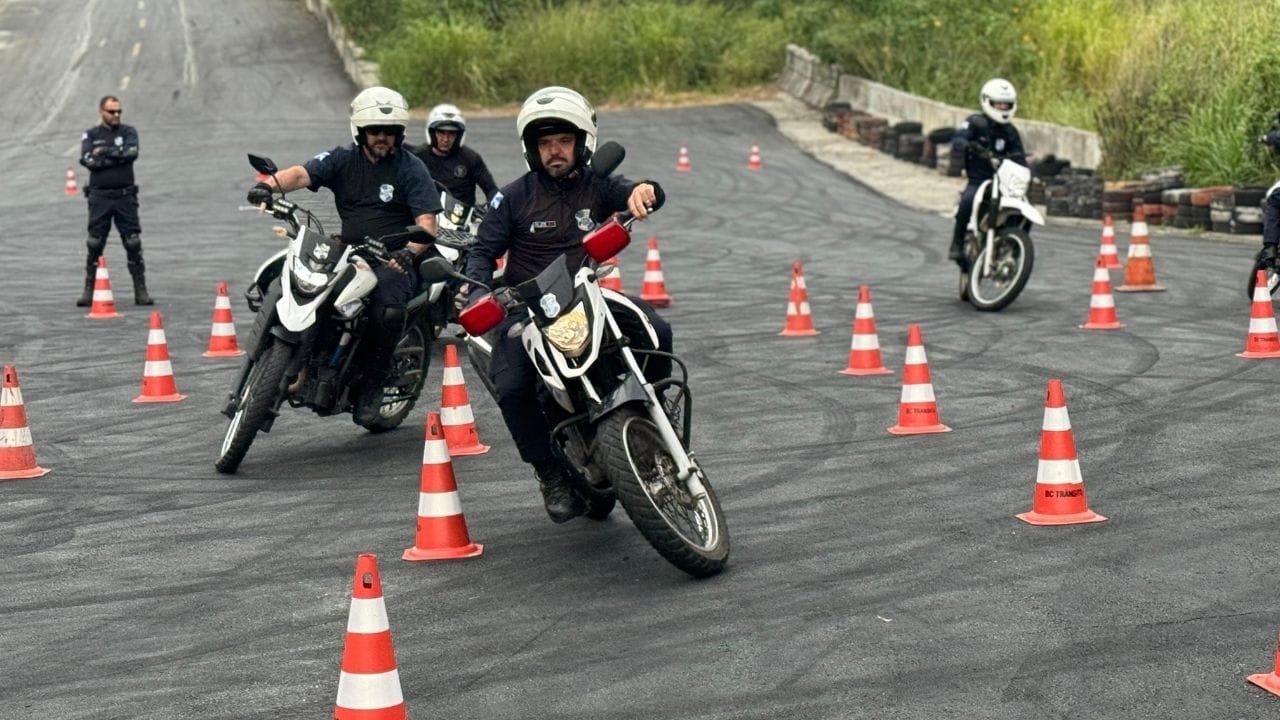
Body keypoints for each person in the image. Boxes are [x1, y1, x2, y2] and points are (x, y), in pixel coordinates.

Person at [461, 86, 671, 524]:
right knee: (512, 387)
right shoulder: (512, 198)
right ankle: (549, 472)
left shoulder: (598, 184)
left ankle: (656, 412)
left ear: (582, 143)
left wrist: (646, 191)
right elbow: (480, 252)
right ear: (532, 149)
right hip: (527, 308)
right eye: (545, 143)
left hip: (586, 293)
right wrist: (479, 291)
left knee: (655, 329)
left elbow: (636, 191)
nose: (554, 150)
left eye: (563, 140)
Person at [245, 86, 442, 425]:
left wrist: (410, 252)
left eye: (389, 131)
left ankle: (373, 385)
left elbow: (428, 223)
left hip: (392, 258)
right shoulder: (342, 158)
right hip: (349, 251)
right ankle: (296, 359)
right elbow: (302, 174)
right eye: (375, 131)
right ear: (360, 131)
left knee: (387, 310)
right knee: (294, 277)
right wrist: (268, 186)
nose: (382, 137)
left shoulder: (411, 168)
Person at [78, 95, 152, 306]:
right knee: (95, 243)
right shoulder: (91, 134)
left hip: (124, 196)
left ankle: (141, 290)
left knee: (133, 242)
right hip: (100, 196)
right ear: (101, 112)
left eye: (119, 111)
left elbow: (132, 153)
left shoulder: (128, 132)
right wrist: (117, 157)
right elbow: (88, 160)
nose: (116, 115)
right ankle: (89, 290)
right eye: (111, 111)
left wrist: (105, 153)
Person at [949, 78, 1027, 264]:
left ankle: (1014, 249)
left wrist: (1026, 167)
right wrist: (965, 144)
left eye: (1006, 104)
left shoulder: (1011, 132)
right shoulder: (975, 123)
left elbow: (1020, 157)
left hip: (1004, 183)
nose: (1002, 107)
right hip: (979, 180)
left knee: (1025, 209)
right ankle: (956, 243)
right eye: (998, 104)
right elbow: (959, 137)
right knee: (967, 200)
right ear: (987, 101)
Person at [411, 103, 499, 208]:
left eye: (451, 133)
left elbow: (492, 190)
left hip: (463, 215)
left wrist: (494, 207)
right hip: (426, 214)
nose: (446, 139)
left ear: (459, 135)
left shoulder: (470, 158)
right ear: (432, 133)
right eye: (441, 132)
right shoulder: (417, 157)